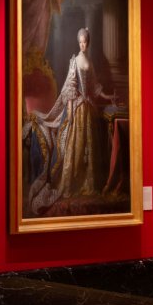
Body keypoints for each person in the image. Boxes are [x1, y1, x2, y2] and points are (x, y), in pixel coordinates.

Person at [27, 27, 114, 215]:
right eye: (81, 42)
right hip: (78, 108)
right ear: (78, 42)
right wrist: (72, 103)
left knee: (88, 147)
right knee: (75, 144)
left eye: (85, 41)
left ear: (88, 42)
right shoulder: (74, 61)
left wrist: (107, 97)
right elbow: (70, 86)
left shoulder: (89, 61)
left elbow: (94, 86)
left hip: (88, 108)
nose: (83, 44)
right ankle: (71, 182)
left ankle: (88, 182)